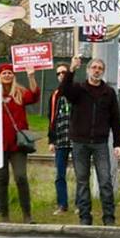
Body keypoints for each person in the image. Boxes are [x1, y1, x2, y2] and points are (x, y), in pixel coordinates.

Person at [60, 56, 120, 226]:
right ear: (88, 70)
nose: (97, 70)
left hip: (100, 143)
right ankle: (85, 217)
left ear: (103, 72)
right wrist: (72, 70)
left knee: (105, 180)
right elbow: (64, 90)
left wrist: (118, 143)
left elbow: (116, 119)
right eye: (94, 67)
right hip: (80, 142)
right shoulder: (79, 89)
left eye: (100, 68)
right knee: (82, 181)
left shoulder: (108, 92)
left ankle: (109, 217)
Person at [0, 63, 40, 223]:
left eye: (9, 73)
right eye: (4, 73)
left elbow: (34, 95)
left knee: (21, 177)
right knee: (1, 179)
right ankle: (4, 215)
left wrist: (31, 76)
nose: (7, 75)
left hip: (17, 144)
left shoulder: (20, 92)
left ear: (13, 75)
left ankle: (27, 215)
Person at [47, 64, 73, 215]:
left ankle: (80, 204)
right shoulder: (54, 95)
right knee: (60, 174)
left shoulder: (76, 91)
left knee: (81, 174)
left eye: (64, 72)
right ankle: (62, 204)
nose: (62, 75)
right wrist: (51, 140)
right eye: (59, 73)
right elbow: (50, 118)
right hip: (60, 139)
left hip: (76, 139)